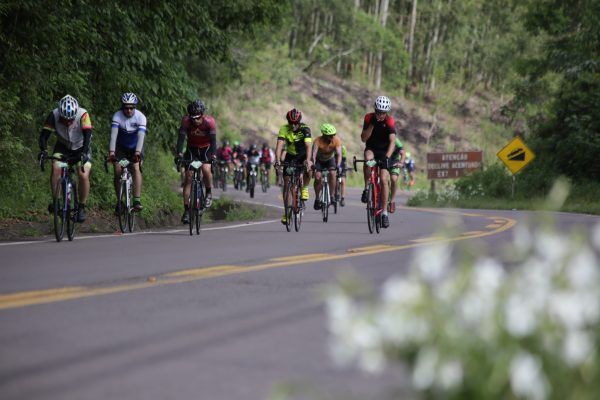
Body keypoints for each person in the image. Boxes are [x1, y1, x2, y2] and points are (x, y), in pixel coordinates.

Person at [38, 94, 93, 222]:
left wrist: (84, 153)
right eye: (64, 119)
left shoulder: (83, 114)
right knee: (56, 168)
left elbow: (88, 136)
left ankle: (82, 207)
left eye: (71, 120)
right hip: (63, 148)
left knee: (83, 175)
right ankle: (56, 202)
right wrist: (44, 151)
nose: (68, 122)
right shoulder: (54, 115)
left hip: (81, 148)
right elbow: (43, 136)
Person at [175, 99, 217, 224]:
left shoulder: (210, 122)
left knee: (206, 169)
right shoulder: (186, 121)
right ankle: (187, 210)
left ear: (202, 115)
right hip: (192, 149)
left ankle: (208, 193)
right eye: (193, 118)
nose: (195, 120)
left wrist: (213, 156)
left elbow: (214, 142)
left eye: (198, 118)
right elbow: (181, 139)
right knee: (188, 177)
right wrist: (179, 154)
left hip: (206, 149)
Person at [360, 95, 396, 228]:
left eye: (383, 113)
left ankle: (385, 213)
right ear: (375, 110)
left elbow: (392, 141)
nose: (380, 115)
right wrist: (372, 125)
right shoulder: (369, 118)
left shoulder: (390, 121)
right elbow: (364, 139)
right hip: (372, 149)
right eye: (378, 112)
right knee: (368, 159)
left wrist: (387, 157)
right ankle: (366, 187)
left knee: (384, 178)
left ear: (386, 112)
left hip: (384, 152)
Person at [108, 92, 147, 212]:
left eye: (131, 108)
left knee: (135, 167)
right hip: (121, 148)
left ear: (135, 107)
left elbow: (141, 137)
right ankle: (119, 201)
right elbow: (113, 136)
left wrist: (138, 153)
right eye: (126, 108)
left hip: (135, 148)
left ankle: (136, 200)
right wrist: (112, 153)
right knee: (118, 169)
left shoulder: (141, 117)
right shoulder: (117, 116)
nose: (129, 110)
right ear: (122, 107)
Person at [274, 108, 312, 224]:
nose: (293, 125)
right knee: (287, 184)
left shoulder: (305, 129)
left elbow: (308, 146)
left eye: (296, 123)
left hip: (303, 155)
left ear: (299, 121)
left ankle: (304, 187)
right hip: (290, 156)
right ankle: (287, 213)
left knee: (309, 169)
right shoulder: (284, 129)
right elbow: (279, 147)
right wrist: (277, 161)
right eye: (291, 122)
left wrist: (308, 160)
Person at [311, 123, 342, 210]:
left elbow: (339, 154)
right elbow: (313, 154)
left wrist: (338, 165)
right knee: (318, 177)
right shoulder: (317, 141)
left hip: (330, 160)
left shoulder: (336, 140)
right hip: (319, 161)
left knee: (332, 173)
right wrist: (313, 165)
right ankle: (317, 199)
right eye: (330, 136)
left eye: (333, 135)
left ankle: (331, 196)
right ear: (324, 135)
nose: (332, 137)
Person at [387, 138, 405, 213]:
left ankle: (392, 201)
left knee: (393, 179)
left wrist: (401, 162)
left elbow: (403, 153)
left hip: (394, 161)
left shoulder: (396, 141)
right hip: (383, 160)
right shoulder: (380, 137)